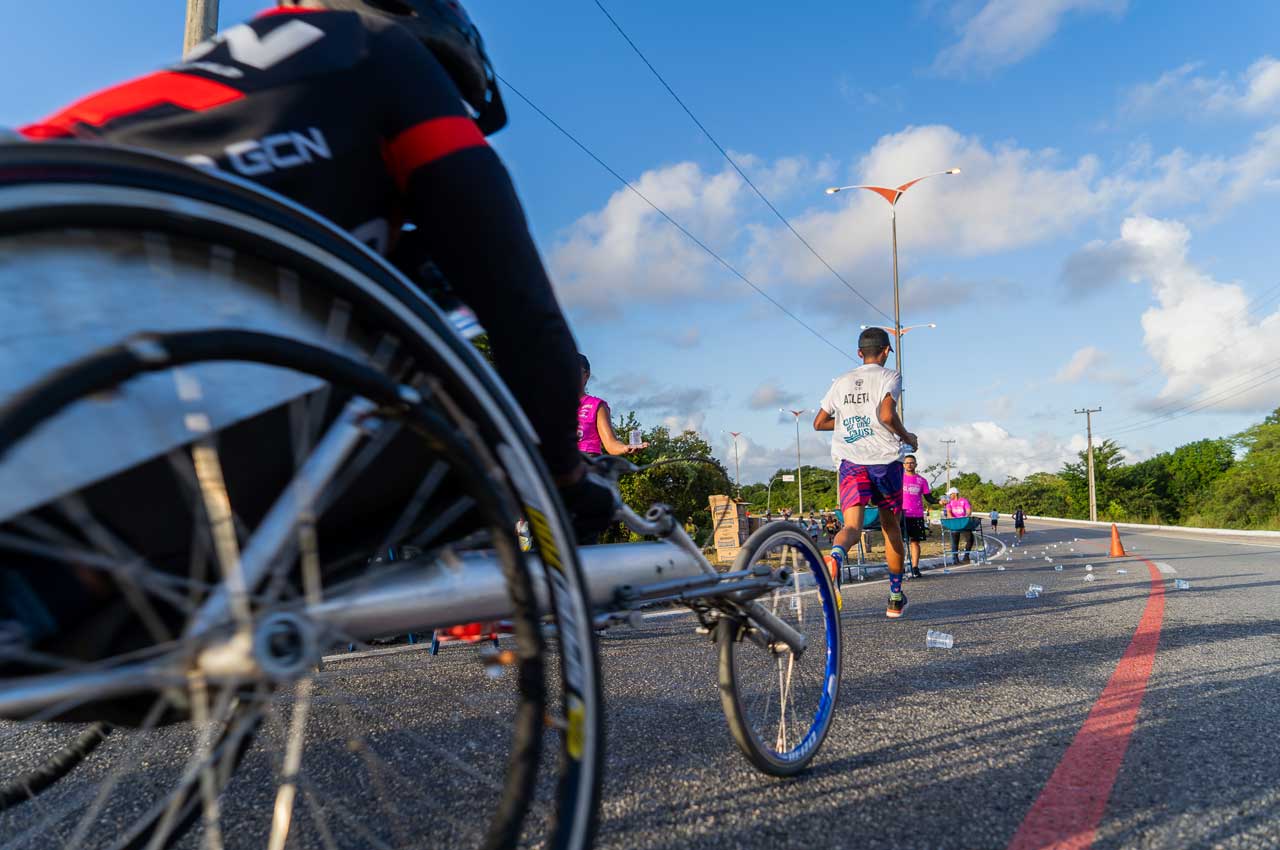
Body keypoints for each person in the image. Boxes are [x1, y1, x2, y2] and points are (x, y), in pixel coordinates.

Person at [17, 0, 616, 542]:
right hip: (86, 311)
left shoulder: (276, 72)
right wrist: (561, 470)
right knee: (466, 430)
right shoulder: (390, 52)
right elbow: (518, 299)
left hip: (40, 256)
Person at [814, 327, 917, 618]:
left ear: (859, 353)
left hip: (851, 462)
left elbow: (819, 423)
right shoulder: (890, 376)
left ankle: (835, 558)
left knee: (851, 528)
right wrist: (907, 437)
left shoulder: (841, 381)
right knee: (891, 528)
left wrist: (849, 421)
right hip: (884, 462)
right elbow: (886, 415)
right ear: (885, 351)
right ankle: (895, 598)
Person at [577, 354, 647, 457]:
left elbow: (611, 444)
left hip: (587, 464)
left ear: (586, 375)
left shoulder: (596, 406)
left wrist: (625, 448)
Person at [901, 454, 930, 579]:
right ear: (903, 465)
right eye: (907, 462)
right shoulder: (899, 479)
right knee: (899, 542)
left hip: (916, 514)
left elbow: (928, 497)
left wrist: (939, 501)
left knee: (915, 542)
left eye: (912, 462)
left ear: (916, 465)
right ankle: (899, 567)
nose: (909, 465)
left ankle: (915, 567)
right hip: (901, 514)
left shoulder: (922, 480)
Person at [945, 486, 974, 563]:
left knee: (970, 539)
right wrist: (952, 518)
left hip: (963, 523)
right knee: (955, 541)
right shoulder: (949, 502)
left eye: (950, 494)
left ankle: (966, 556)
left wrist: (966, 516)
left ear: (955, 494)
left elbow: (968, 511)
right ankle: (955, 559)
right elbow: (948, 512)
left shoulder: (964, 501)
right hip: (954, 523)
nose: (949, 496)